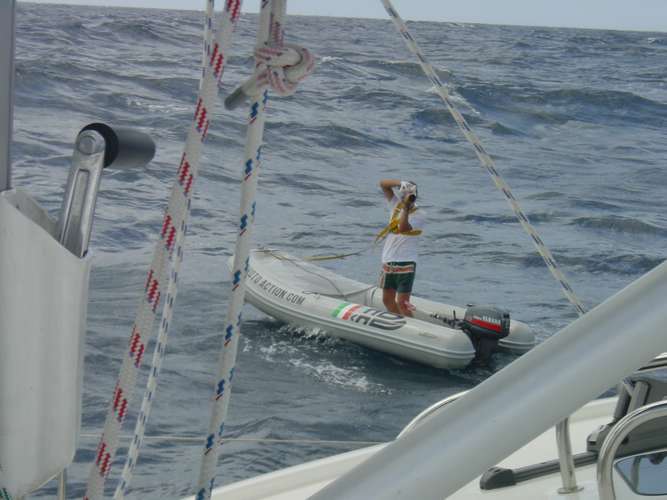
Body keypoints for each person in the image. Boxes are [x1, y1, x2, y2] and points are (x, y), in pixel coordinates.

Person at [377, 179, 425, 317]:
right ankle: (399, 324)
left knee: (403, 303)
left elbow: (403, 227)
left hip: (406, 262)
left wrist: (406, 208)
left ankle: (412, 328)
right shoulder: (396, 205)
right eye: (404, 194)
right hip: (389, 259)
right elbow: (383, 184)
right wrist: (401, 183)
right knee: (387, 300)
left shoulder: (420, 215)